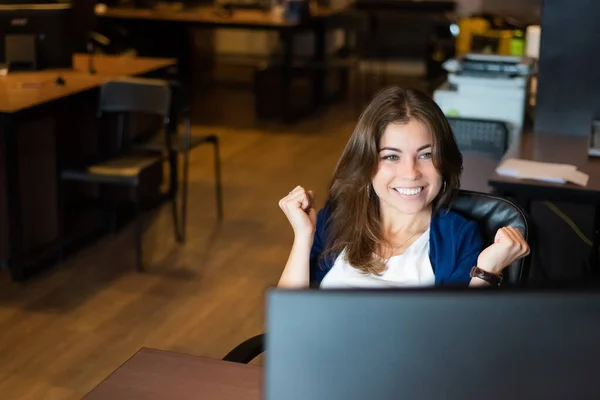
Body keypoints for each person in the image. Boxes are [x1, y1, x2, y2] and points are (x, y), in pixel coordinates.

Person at [277, 87, 529, 289]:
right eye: (391, 156)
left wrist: (487, 270)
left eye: (426, 155)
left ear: (444, 162)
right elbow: (288, 323)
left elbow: (460, 339)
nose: (410, 173)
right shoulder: (334, 220)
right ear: (366, 162)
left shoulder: (458, 236)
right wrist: (303, 237)